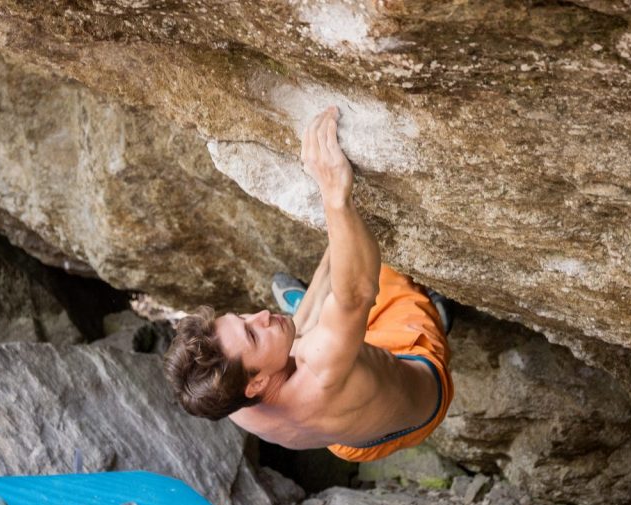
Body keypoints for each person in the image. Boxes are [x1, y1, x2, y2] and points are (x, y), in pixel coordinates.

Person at [164, 106, 453, 462]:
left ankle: (311, 314)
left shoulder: (230, 398)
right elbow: (357, 292)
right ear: (255, 383)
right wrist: (334, 193)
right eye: (252, 334)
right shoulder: (318, 366)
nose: (260, 315)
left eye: (242, 317)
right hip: (419, 384)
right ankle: (434, 313)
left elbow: (331, 304)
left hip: (352, 443)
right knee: (383, 266)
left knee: (303, 326)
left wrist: (337, 239)